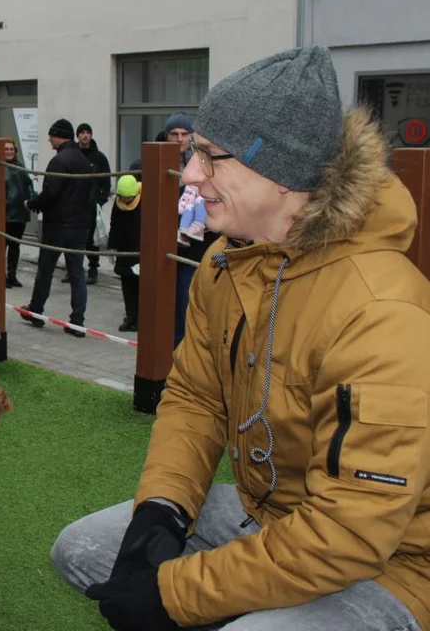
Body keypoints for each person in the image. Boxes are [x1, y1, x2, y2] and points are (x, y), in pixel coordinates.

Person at [51, 46, 430, 630]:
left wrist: (176, 593)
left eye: (210, 155)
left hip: (393, 562)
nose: (191, 172)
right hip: (267, 509)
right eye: (192, 150)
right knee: (84, 550)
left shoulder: (382, 308)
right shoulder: (227, 263)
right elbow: (196, 399)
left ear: (283, 174)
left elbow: (352, 530)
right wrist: (162, 511)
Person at [20, 118, 92, 337]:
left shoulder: (59, 161)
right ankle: (77, 320)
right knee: (77, 273)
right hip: (80, 225)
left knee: (46, 269)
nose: (49, 139)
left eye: (51, 135)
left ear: (59, 135)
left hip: (58, 226)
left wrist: (31, 204)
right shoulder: (82, 159)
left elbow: (51, 193)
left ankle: (36, 310)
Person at [166, 111, 221, 347]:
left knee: (188, 310)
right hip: (165, 247)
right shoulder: (150, 162)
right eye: (174, 134)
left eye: (184, 134)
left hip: (196, 249)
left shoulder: (204, 164)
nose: (179, 139)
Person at [63, 122, 110, 286]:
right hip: (73, 205)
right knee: (72, 238)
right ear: (78, 136)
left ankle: (93, 269)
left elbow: (105, 181)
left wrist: (100, 199)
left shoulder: (99, 158)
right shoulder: (72, 155)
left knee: (92, 240)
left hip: (91, 206)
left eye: (87, 133)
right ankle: (72, 269)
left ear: (91, 135)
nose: (85, 136)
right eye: (81, 133)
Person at [107, 174, 141, 333]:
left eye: (129, 199)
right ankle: (131, 317)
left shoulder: (145, 201)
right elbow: (114, 224)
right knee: (127, 285)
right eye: (123, 198)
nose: (126, 202)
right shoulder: (118, 202)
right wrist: (112, 247)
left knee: (140, 285)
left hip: (140, 250)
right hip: (124, 250)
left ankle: (141, 318)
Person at [4, 139, 33, 288]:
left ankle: (12, 275)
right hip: (5, 215)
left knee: (15, 247)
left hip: (19, 215)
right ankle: (1, 276)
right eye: (6, 149)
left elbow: (29, 186)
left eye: (11, 149)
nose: (9, 152)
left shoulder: (21, 168)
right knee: (1, 248)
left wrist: (32, 200)